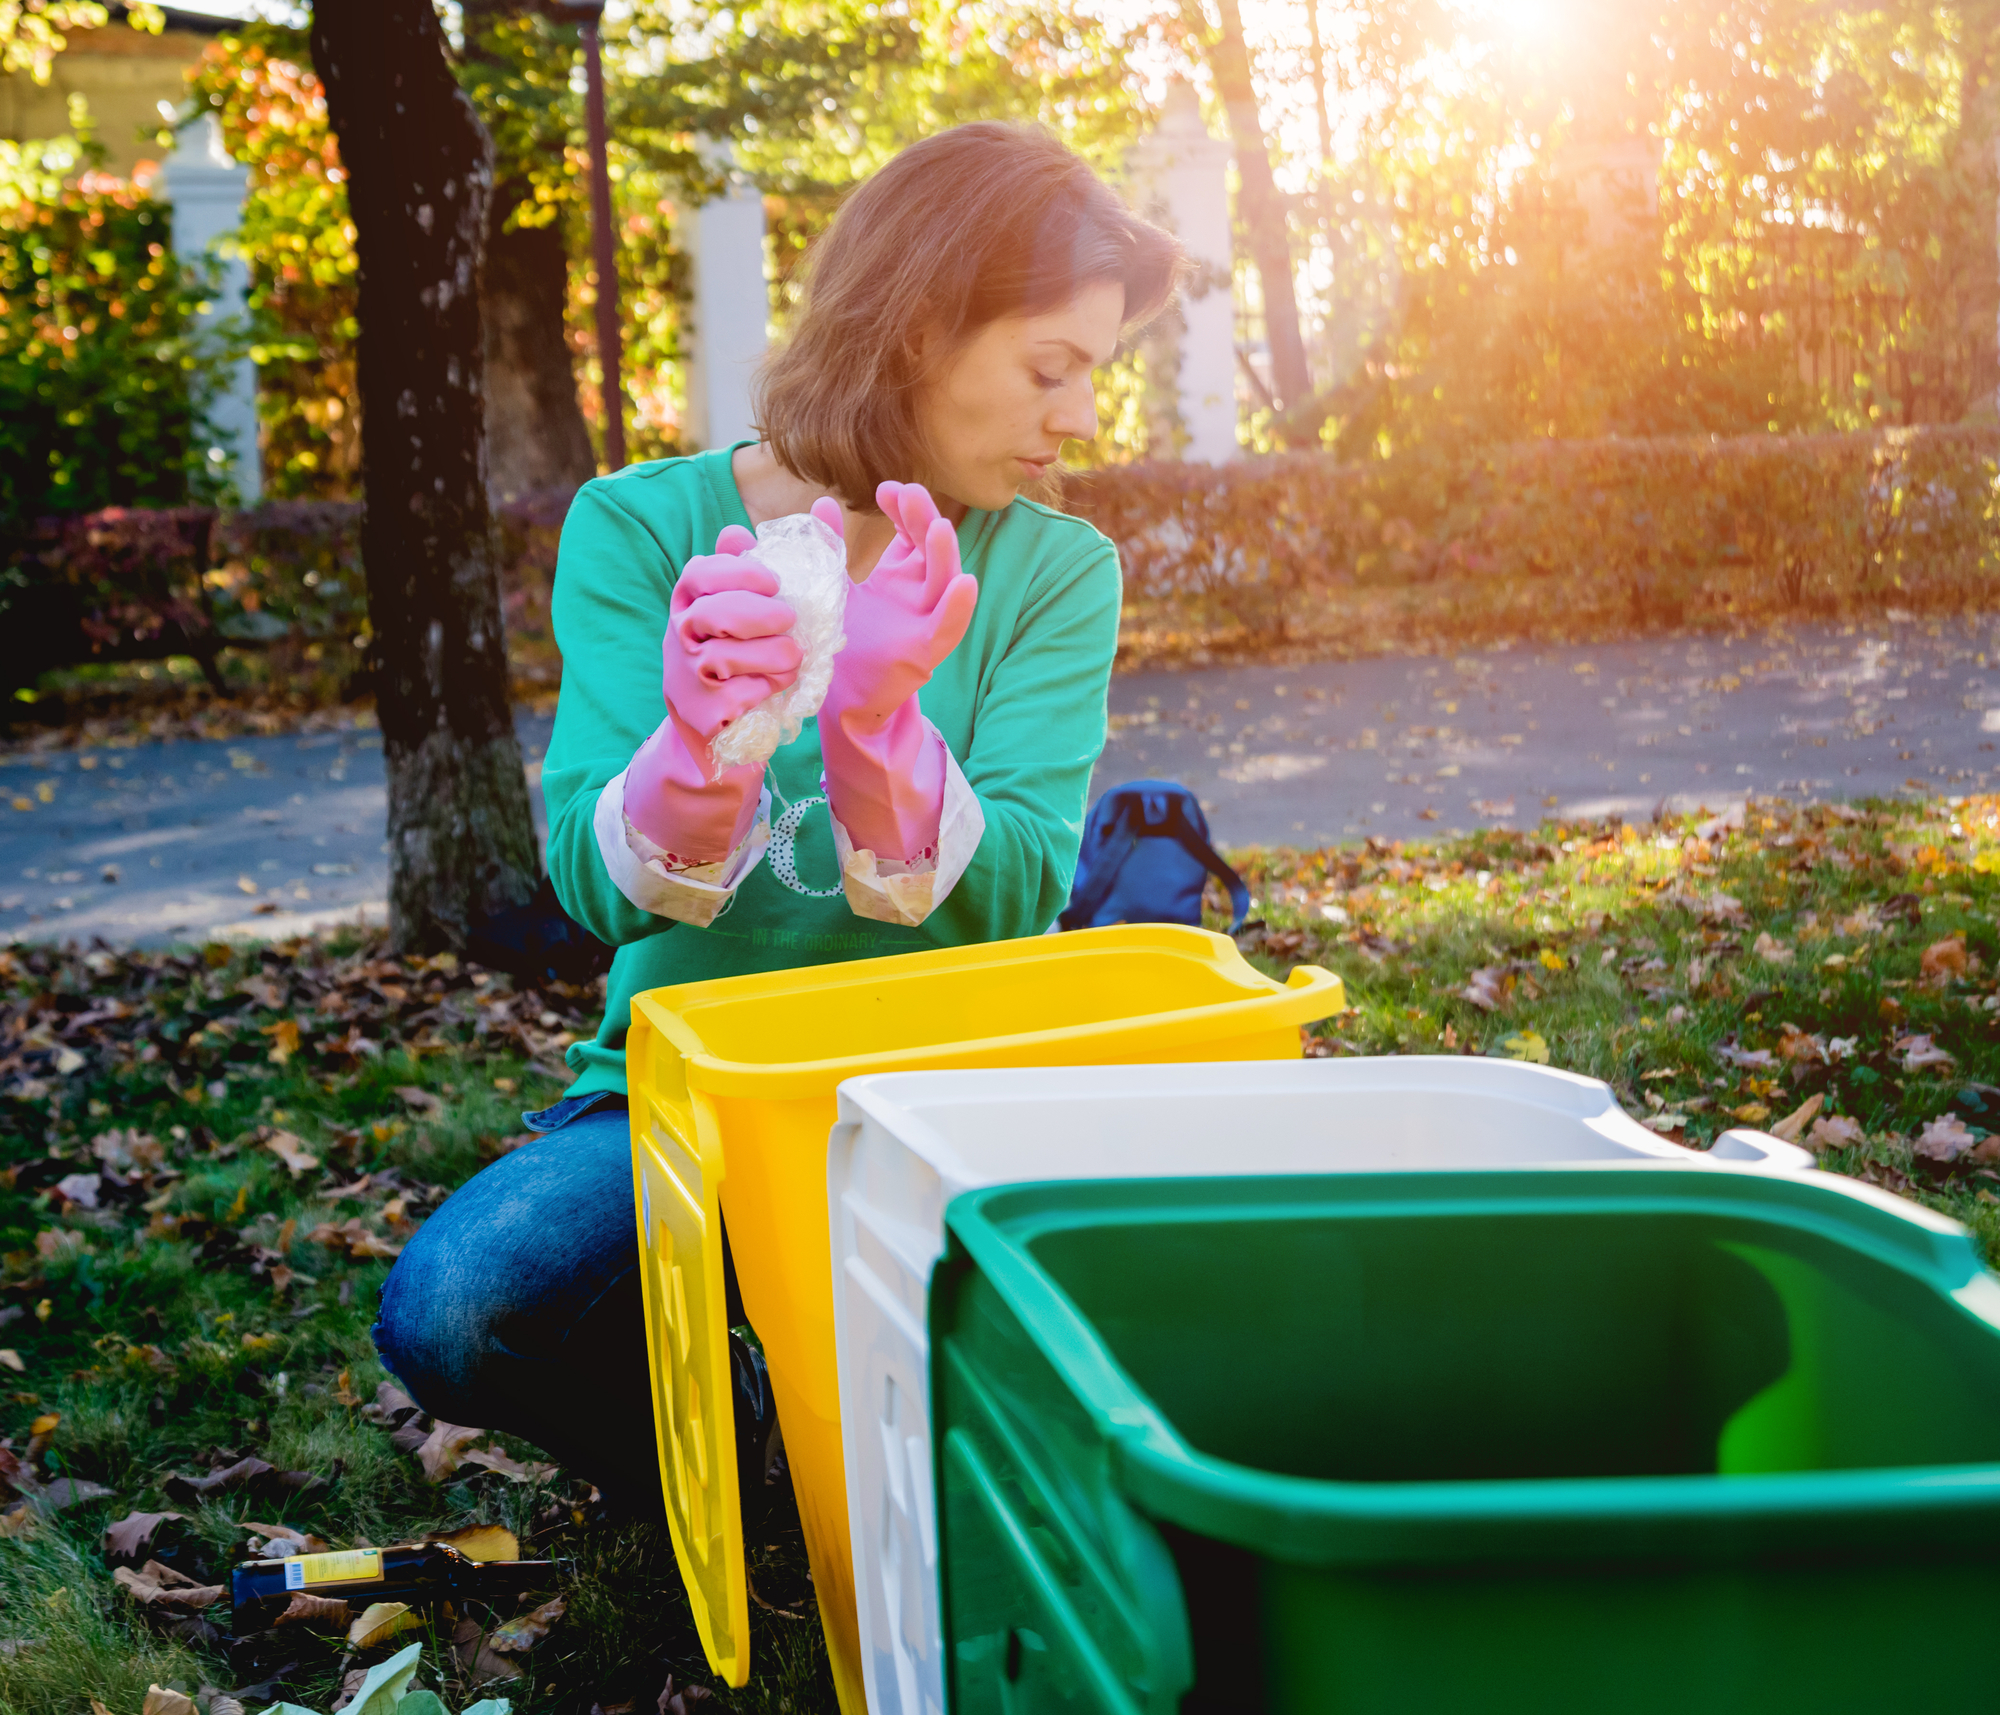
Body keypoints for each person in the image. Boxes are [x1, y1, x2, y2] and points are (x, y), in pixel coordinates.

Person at [370, 122, 1185, 1512]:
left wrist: (881, 730)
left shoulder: (1054, 569)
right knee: (458, 1306)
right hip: (680, 1100)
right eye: (1052, 369)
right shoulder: (643, 529)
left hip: (957, 1095)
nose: (1078, 421)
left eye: (1088, 378)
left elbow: (1028, 883)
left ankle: (874, 1431)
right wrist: (697, 752)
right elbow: (591, 878)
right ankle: (745, 1455)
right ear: (922, 327)